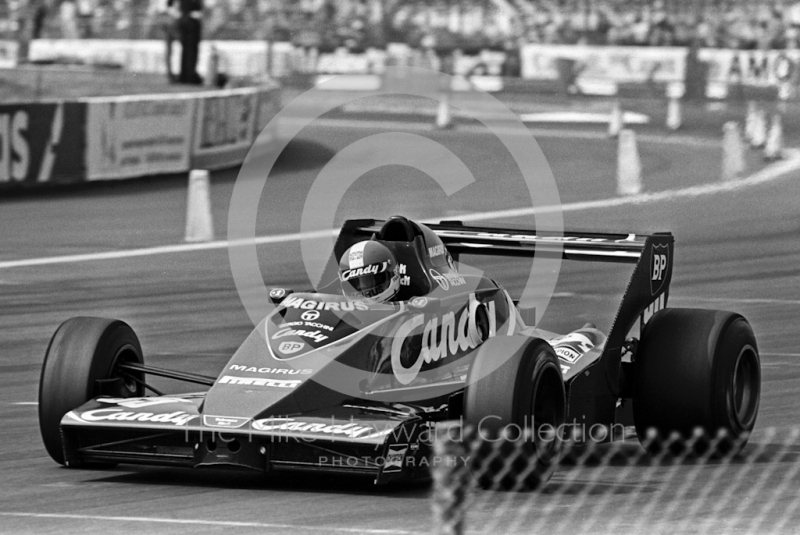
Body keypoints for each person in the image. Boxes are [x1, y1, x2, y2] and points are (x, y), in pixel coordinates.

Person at [178, 0, 203, 84]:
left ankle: (184, 76)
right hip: (191, 22)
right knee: (192, 51)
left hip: (184, 20)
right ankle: (190, 76)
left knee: (185, 51)